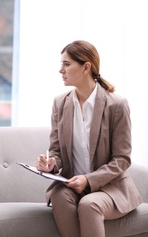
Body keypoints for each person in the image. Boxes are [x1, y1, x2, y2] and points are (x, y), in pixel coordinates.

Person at [35, 40, 142, 237]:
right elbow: (57, 152)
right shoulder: (60, 103)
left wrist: (88, 180)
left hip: (111, 189)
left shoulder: (116, 105)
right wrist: (51, 164)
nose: (61, 70)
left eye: (66, 64)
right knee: (59, 196)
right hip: (72, 186)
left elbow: (122, 159)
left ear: (86, 67)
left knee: (89, 204)